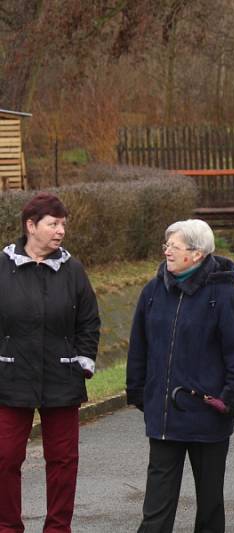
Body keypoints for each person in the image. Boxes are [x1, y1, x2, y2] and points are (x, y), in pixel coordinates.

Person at [126, 219, 234, 533]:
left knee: (210, 501)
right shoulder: (152, 291)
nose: (167, 252)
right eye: (167, 245)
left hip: (209, 415)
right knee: (156, 504)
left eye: (175, 246)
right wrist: (138, 389)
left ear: (197, 254)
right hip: (164, 414)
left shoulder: (225, 296)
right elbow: (139, 345)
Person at [0, 193, 100, 533]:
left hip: (62, 376)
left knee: (63, 461)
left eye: (63, 225)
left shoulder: (72, 270)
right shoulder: (2, 267)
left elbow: (89, 320)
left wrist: (83, 361)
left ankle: (58, 528)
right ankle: (7, 526)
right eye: (52, 224)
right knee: (5, 458)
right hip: (10, 376)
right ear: (31, 226)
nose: (60, 231)